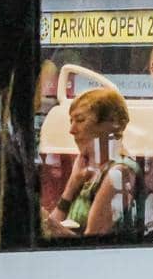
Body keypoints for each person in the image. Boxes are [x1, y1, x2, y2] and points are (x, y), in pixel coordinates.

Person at [44, 87, 138, 238]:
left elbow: (92, 245)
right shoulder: (86, 169)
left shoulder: (119, 173)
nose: (72, 130)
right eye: (71, 121)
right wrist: (72, 186)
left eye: (80, 120)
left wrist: (49, 226)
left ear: (111, 123)